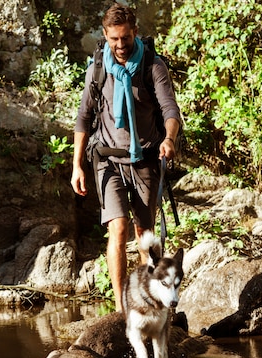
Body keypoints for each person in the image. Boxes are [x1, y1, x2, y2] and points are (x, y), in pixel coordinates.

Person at [70, 4, 181, 313]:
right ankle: (122, 310)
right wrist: (77, 165)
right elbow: (83, 119)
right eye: (114, 39)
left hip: (146, 157)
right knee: (118, 228)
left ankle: (151, 301)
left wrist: (168, 139)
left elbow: (170, 110)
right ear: (105, 36)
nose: (120, 45)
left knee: (146, 236)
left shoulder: (152, 66)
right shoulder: (98, 68)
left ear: (135, 33)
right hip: (107, 159)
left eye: (126, 38)